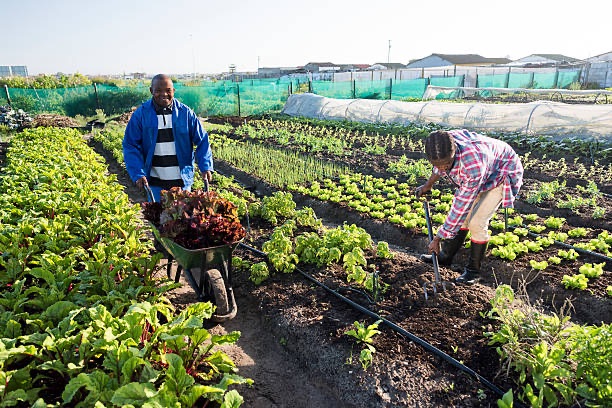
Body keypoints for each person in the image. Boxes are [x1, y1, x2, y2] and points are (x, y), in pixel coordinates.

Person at [415, 129, 523, 284]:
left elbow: (461, 206)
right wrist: (428, 185)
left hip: (503, 170)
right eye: (439, 165)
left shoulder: (472, 166)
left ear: (454, 152)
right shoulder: (441, 143)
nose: (444, 168)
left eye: (447, 164)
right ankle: (445, 257)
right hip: (487, 165)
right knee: (464, 219)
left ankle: (473, 271)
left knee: (476, 222)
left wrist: (438, 238)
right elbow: (439, 167)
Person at [123, 74, 213, 203]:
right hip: (154, 183)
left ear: (173, 91)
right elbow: (130, 145)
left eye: (168, 90)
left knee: (182, 218)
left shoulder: (185, 113)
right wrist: (138, 173)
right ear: (151, 91)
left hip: (182, 182)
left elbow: (202, 140)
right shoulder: (141, 114)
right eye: (158, 91)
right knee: (159, 219)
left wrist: (206, 166)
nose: (163, 94)